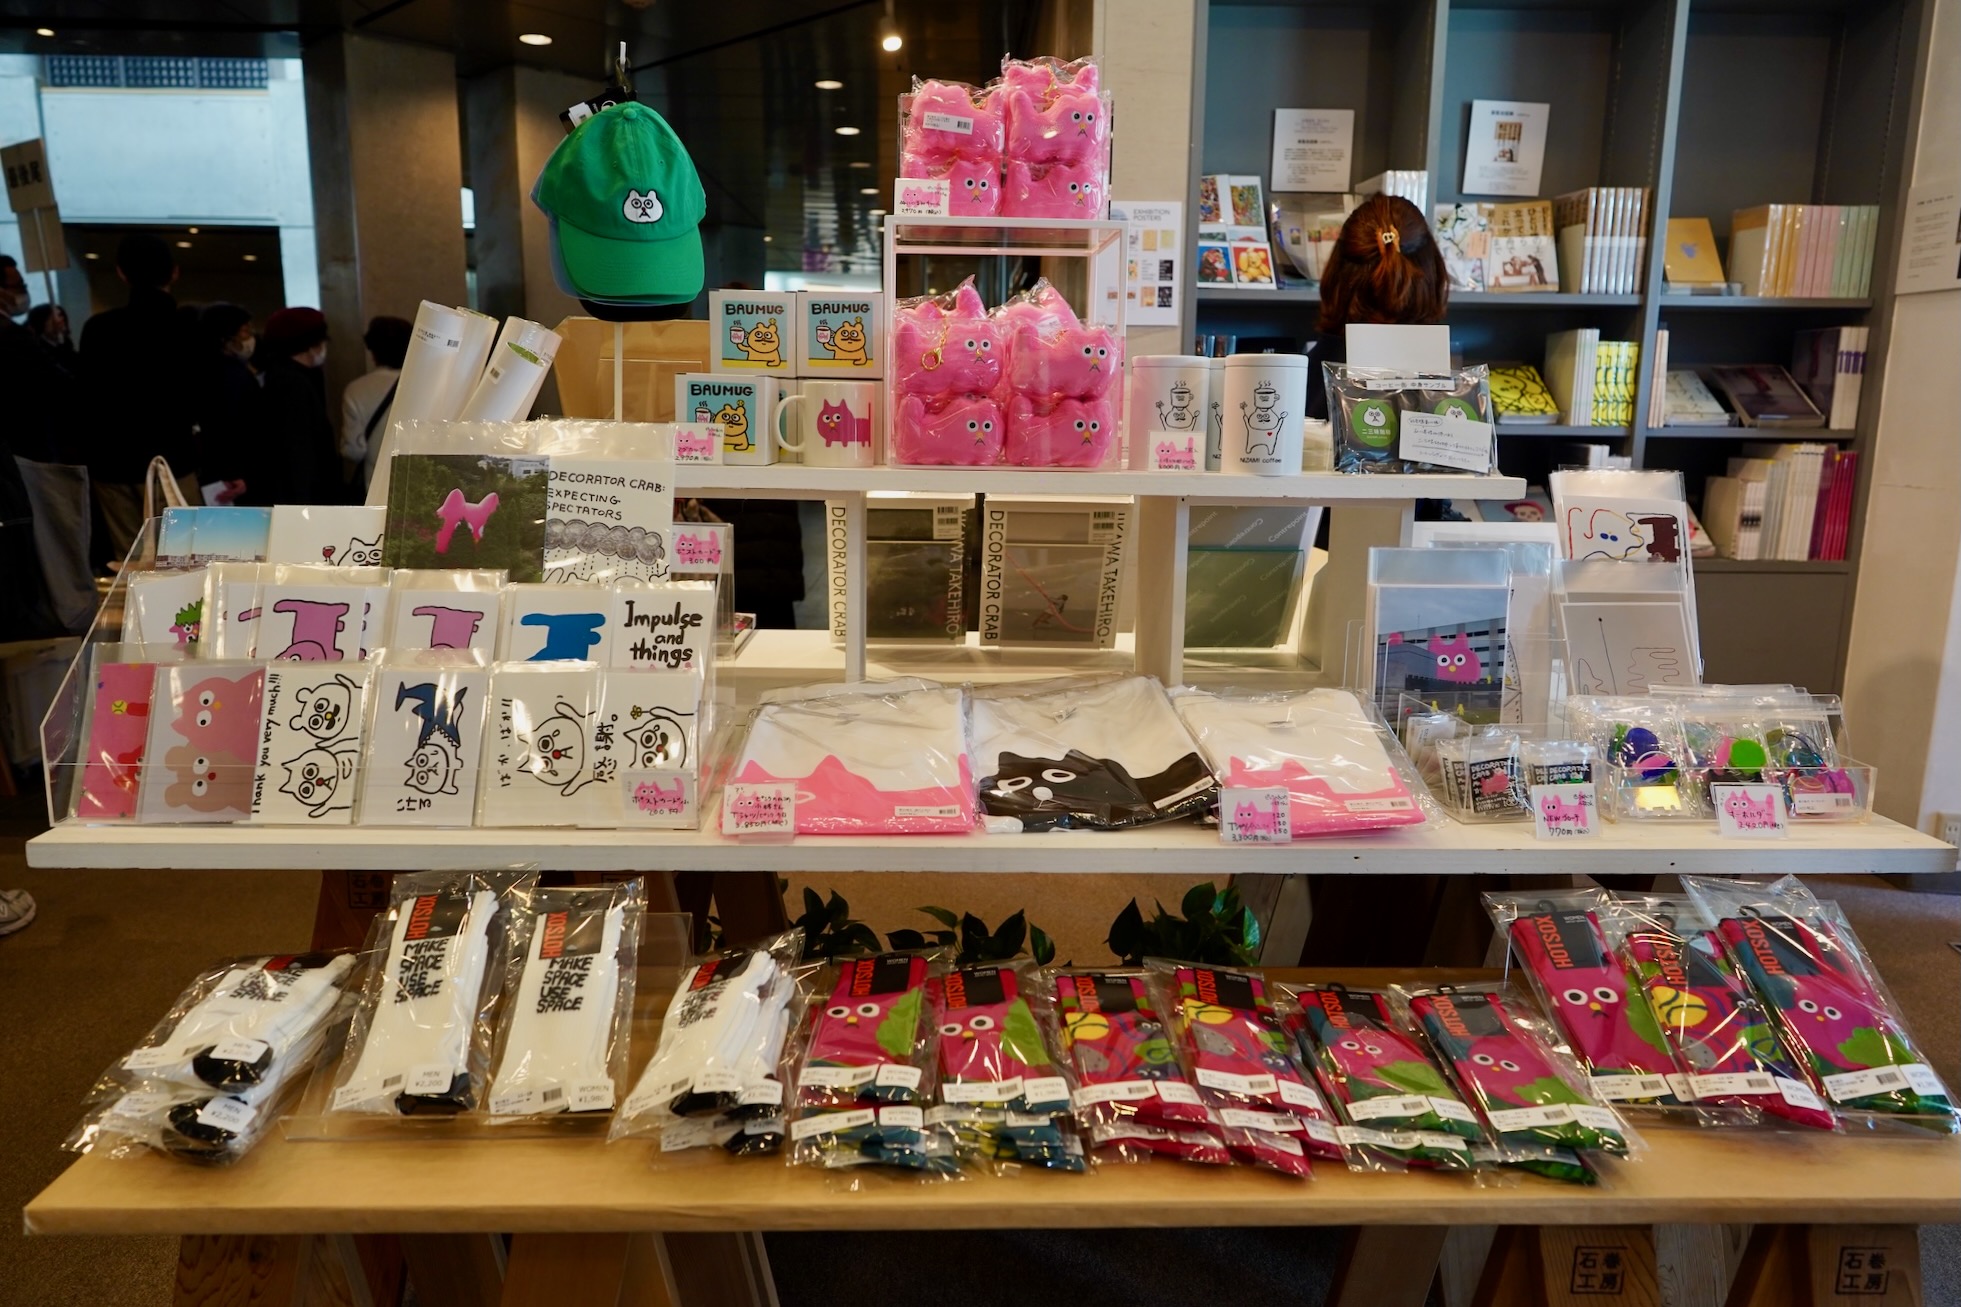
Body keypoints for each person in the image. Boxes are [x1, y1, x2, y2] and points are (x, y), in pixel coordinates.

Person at [79, 234, 202, 563]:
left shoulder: (98, 329)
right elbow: (201, 399)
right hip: (174, 461)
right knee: (185, 562)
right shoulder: (188, 328)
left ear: (122, 273)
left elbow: (87, 398)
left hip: (114, 463)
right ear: (174, 272)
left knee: (132, 562)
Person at [254, 307, 336, 505]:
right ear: (310, 344)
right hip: (301, 499)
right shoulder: (293, 383)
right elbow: (298, 451)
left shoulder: (280, 376)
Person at [194, 303, 262, 504]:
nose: (250, 337)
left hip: (228, 471)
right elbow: (227, 425)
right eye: (245, 331)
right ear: (225, 338)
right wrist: (234, 472)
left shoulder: (209, 369)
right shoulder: (227, 374)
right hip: (234, 477)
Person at [339, 315, 411, 493]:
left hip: (375, 487)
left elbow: (354, 451)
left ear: (372, 351)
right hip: (417, 482)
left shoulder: (356, 389)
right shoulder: (425, 385)